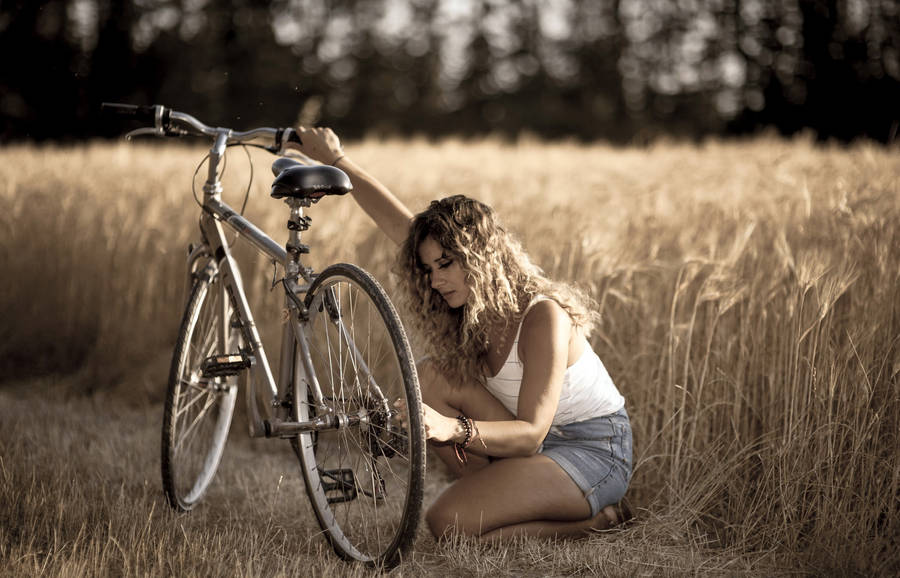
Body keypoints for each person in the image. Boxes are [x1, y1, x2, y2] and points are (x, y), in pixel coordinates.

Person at [288, 127, 633, 541]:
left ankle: (599, 521)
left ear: (481, 257)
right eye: (429, 268)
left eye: (446, 264)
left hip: (591, 450)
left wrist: (452, 429)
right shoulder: (467, 304)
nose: (435, 280)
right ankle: (498, 493)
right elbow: (393, 219)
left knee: (448, 524)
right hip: (530, 450)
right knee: (430, 379)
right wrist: (336, 160)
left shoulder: (542, 317)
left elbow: (530, 433)